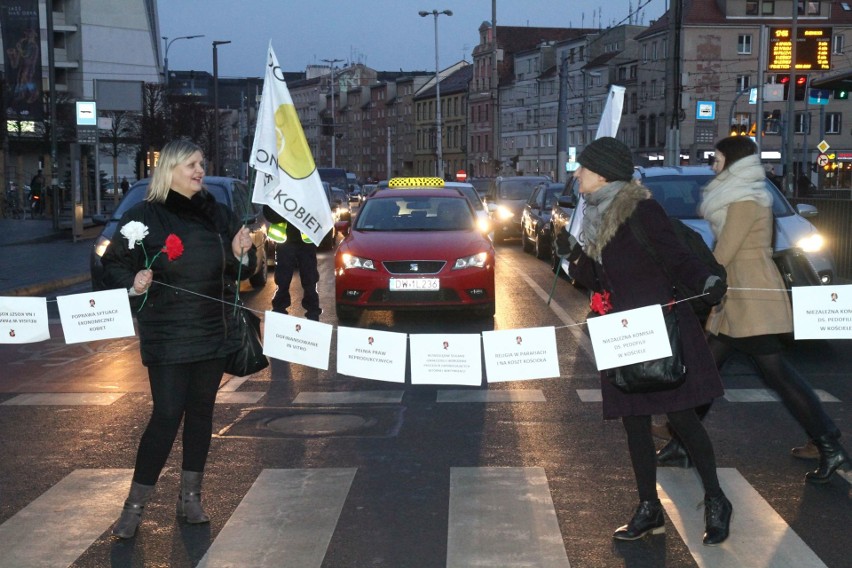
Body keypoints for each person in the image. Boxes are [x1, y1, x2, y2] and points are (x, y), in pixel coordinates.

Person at [565, 137, 732, 546]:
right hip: (618, 333)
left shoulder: (641, 209)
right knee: (635, 424)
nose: (576, 174)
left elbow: (677, 257)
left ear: (602, 173)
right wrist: (572, 257)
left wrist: (706, 281)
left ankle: (716, 499)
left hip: (657, 330)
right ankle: (648, 508)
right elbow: (592, 278)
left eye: (582, 168)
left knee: (681, 418)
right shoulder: (590, 214)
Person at [658, 136, 850, 483]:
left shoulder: (744, 200)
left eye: (716, 156)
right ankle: (681, 441)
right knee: (710, 369)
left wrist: (694, 275)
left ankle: (830, 445)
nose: (712, 161)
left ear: (730, 160)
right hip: (739, 299)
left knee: (776, 374)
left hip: (751, 299)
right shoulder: (739, 195)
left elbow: (724, 253)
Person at [101, 139, 256, 538]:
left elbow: (241, 272)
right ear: (169, 169)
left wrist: (242, 254)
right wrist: (133, 283)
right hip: (168, 333)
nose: (199, 170)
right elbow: (112, 263)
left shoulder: (218, 214)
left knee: (201, 413)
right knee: (167, 415)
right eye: (191, 164)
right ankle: (134, 509)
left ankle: (190, 499)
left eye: (201, 163)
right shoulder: (143, 216)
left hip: (211, 329)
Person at [263, 204, 321, 321]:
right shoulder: (279, 191)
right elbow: (269, 214)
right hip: (285, 242)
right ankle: (279, 314)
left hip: (306, 242)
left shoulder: (309, 188)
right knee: (282, 281)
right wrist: (287, 212)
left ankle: (313, 316)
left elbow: (319, 212)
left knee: (310, 280)